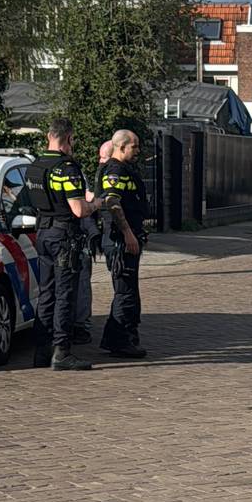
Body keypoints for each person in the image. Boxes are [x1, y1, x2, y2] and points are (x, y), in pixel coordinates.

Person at [25, 118, 101, 371]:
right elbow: (79, 210)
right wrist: (97, 205)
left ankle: (41, 351)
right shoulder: (66, 169)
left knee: (46, 293)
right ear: (68, 137)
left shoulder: (34, 167)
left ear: (49, 136)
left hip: (43, 235)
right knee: (65, 294)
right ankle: (62, 352)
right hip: (64, 237)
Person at [99, 130, 149, 359]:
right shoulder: (115, 170)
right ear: (121, 147)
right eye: (134, 147)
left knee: (129, 291)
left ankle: (119, 338)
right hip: (120, 241)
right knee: (125, 292)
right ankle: (119, 341)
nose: (137, 151)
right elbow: (112, 201)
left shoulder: (125, 169)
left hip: (127, 238)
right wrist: (127, 232)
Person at [71, 140, 114, 345]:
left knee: (81, 284)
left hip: (85, 236)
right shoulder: (80, 174)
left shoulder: (110, 176)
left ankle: (81, 326)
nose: (99, 161)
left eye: (103, 158)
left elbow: (95, 200)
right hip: (80, 234)